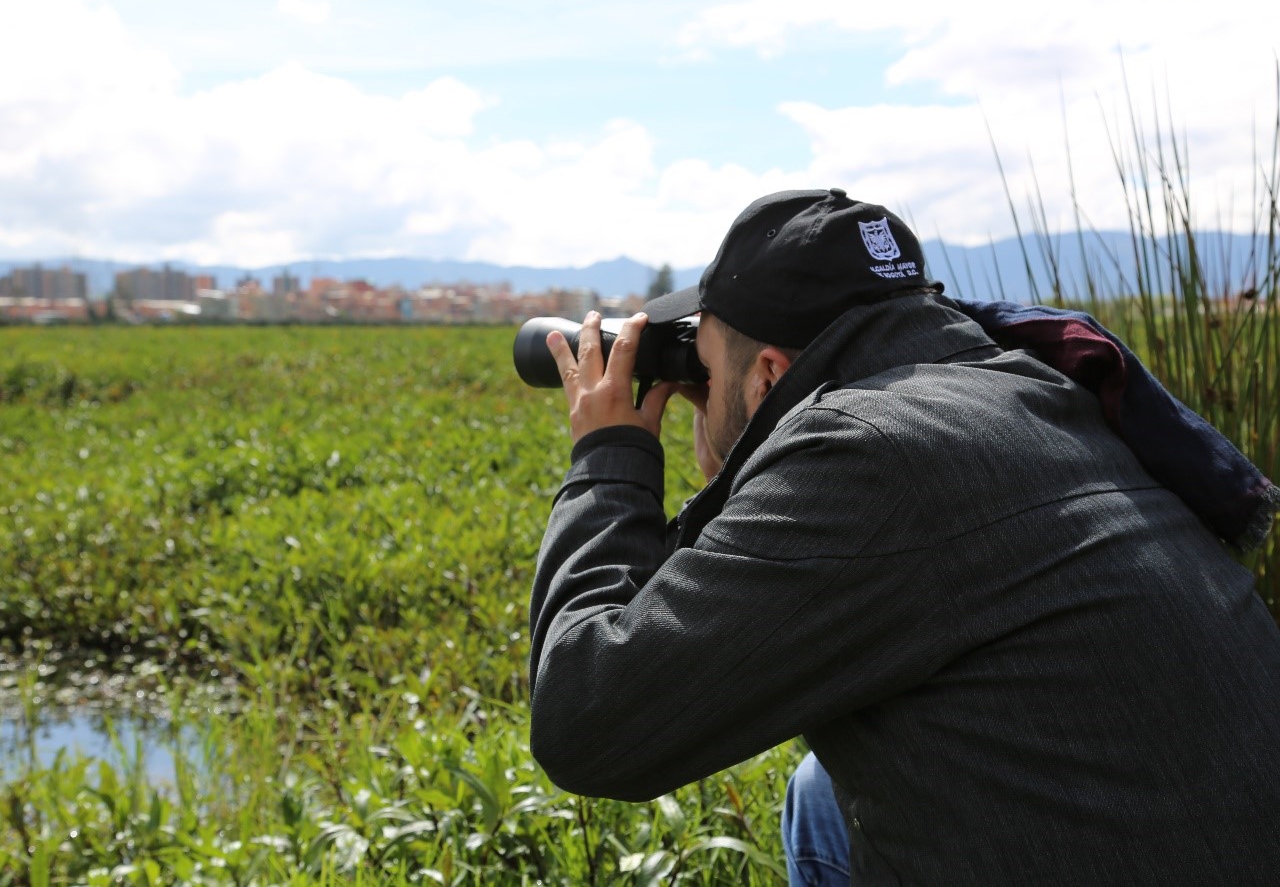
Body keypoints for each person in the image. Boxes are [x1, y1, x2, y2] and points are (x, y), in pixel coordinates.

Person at [526, 188, 1280, 884]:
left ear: (766, 372)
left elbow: (588, 720)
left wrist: (609, 461)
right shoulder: (1034, 384)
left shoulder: (863, 453)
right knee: (821, 793)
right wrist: (741, 433)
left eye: (707, 357)